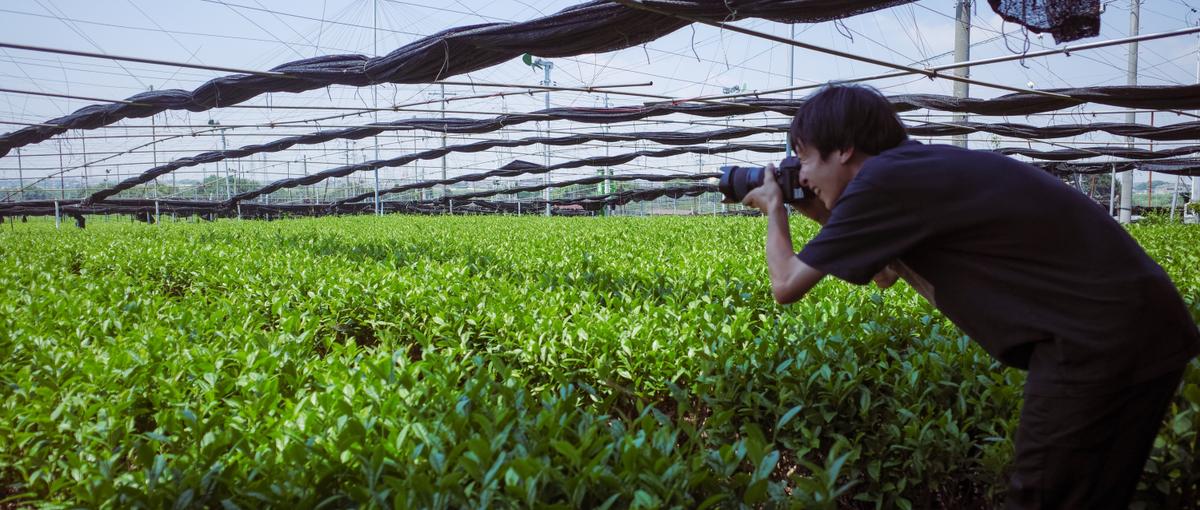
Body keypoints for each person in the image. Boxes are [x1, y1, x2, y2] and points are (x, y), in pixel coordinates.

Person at [739, 83, 1200, 509]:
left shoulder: (883, 181)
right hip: (1132, 327)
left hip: (1097, 338)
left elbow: (785, 284)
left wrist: (775, 209)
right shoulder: (903, 173)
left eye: (804, 158)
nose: (800, 173)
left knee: (1042, 494)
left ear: (844, 148)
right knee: (1087, 494)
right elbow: (883, 273)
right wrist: (814, 209)